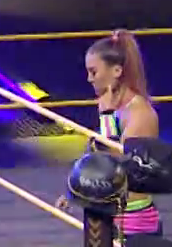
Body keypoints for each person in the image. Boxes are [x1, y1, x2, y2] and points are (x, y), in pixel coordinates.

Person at [57, 30, 162, 237]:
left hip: (131, 219)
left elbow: (114, 168)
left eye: (93, 72)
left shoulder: (140, 113)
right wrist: (73, 191)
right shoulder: (111, 106)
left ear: (116, 71)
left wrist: (106, 117)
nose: (89, 79)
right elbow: (94, 157)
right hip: (103, 212)